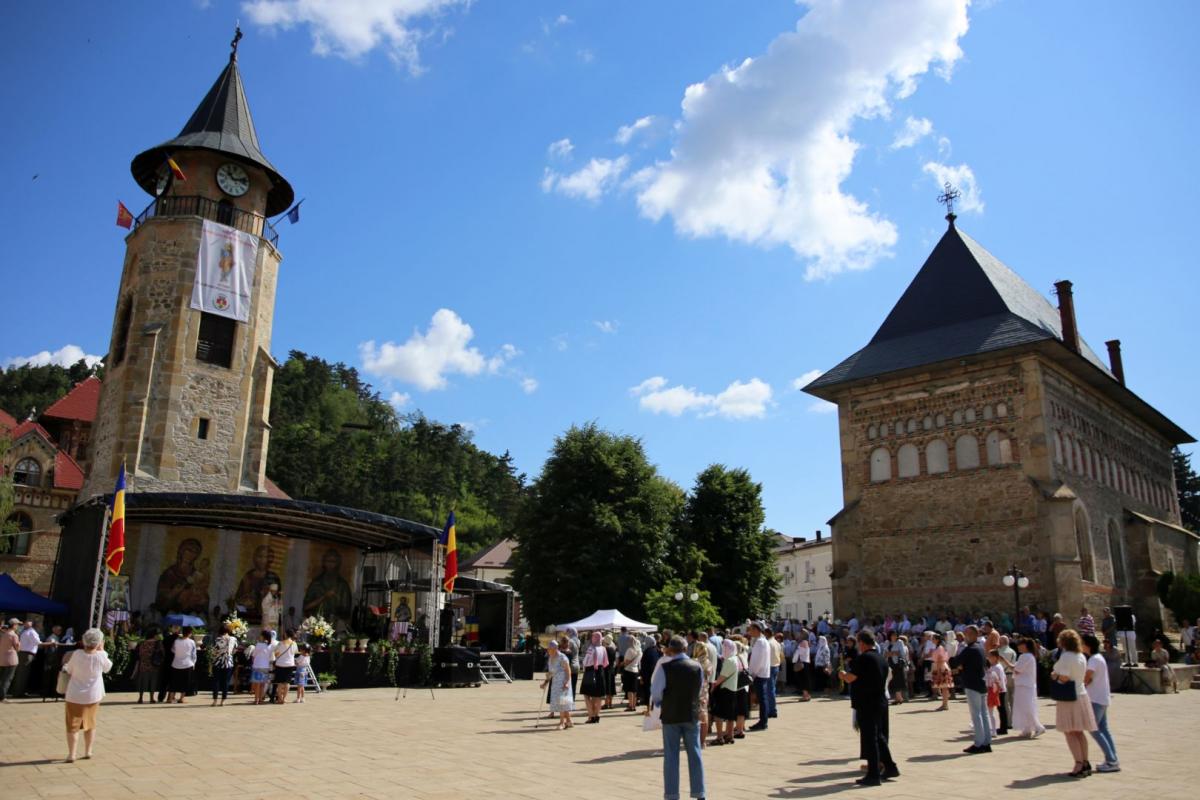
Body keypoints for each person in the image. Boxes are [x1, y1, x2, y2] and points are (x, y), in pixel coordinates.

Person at [839, 630, 899, 787]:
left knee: (870, 738)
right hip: (880, 701)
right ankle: (890, 767)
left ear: (862, 643)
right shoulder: (881, 658)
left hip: (867, 702)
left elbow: (852, 678)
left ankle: (873, 774)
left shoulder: (863, 659)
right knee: (879, 737)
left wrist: (843, 675)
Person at [651, 635, 706, 800]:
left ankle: (672, 794)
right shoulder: (697, 667)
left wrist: (660, 703)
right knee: (695, 754)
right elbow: (700, 688)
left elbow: (656, 692)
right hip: (691, 713)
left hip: (671, 714)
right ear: (685, 648)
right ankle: (699, 793)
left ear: (670, 649)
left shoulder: (665, 667)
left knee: (671, 756)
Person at [61, 628, 113, 763]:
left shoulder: (77, 654)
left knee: (72, 725)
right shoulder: (101, 655)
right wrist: (102, 650)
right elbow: (108, 668)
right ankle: (88, 751)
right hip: (92, 696)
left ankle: (72, 754)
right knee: (90, 724)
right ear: (99, 642)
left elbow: (70, 670)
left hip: (74, 695)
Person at [1051, 629, 1098, 777]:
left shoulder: (1066, 657)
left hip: (1069, 696)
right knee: (1079, 731)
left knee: (1070, 731)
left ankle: (1078, 764)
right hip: (1081, 694)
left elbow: (1064, 677)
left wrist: (1055, 677)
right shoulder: (1081, 656)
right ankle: (1085, 761)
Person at [1081, 633, 1119, 771]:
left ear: (1088, 645)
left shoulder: (1093, 660)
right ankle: (1113, 759)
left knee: (1093, 729)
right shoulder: (1098, 658)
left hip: (1095, 698)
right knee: (1103, 729)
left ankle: (1111, 760)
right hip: (1102, 697)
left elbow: (1087, 678)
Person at [951, 625, 991, 753]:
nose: (965, 636)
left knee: (977, 714)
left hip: (972, 684)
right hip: (981, 683)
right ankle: (986, 742)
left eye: (967, 633)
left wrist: (955, 657)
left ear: (974, 635)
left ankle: (979, 743)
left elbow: (954, 662)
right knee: (984, 714)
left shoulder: (970, 649)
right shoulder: (980, 648)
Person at [1011, 637, 1045, 737]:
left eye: (1020, 644)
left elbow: (1017, 669)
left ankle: (1038, 727)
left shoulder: (1025, 656)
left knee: (1027, 707)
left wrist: (1004, 661)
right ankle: (1027, 729)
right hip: (1025, 685)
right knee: (1023, 707)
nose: (1018, 646)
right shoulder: (1028, 656)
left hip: (1024, 685)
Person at [710, 639, 739, 746]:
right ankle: (729, 736)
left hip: (725, 690)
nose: (723, 649)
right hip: (733, 689)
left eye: (725, 647)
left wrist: (714, 684)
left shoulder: (729, 661)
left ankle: (719, 737)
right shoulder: (735, 658)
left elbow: (722, 677)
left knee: (719, 714)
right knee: (730, 715)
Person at [540, 639, 574, 729]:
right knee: (562, 703)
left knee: (562, 702)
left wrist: (566, 683)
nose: (548, 651)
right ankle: (569, 721)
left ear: (555, 648)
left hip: (563, 682)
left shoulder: (562, 657)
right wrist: (545, 683)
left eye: (550, 649)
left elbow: (568, 671)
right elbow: (550, 673)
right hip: (555, 683)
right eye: (548, 649)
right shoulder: (550, 658)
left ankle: (562, 723)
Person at [580, 631, 610, 723]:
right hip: (600, 672)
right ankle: (597, 715)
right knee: (598, 696)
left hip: (590, 672)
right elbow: (606, 663)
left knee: (586, 695)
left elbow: (586, 662)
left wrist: (583, 664)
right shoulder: (603, 648)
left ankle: (591, 715)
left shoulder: (591, 648)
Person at [747, 622, 771, 731]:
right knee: (763, 699)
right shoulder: (763, 641)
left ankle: (763, 722)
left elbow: (756, 661)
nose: (749, 632)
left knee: (762, 699)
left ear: (757, 630)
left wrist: (752, 674)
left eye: (751, 629)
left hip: (759, 674)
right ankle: (763, 721)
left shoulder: (760, 642)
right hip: (763, 673)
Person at [165, 627, 197, 704]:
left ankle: (170, 698)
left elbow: (173, 650)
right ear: (190, 633)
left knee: (174, 682)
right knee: (185, 682)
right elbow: (194, 654)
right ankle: (181, 698)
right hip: (187, 664)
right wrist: (194, 663)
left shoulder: (176, 641)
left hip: (176, 663)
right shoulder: (192, 642)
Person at [133, 629, 164, 704]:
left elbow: (138, 654)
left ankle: (140, 698)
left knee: (142, 682)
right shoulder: (158, 643)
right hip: (154, 666)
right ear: (155, 635)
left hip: (143, 665)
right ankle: (152, 698)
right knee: (152, 682)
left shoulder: (142, 643)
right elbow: (162, 654)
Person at [210, 623, 236, 707]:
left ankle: (215, 701)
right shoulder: (233, 639)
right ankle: (223, 701)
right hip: (228, 663)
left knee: (216, 682)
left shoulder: (218, 639)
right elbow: (234, 651)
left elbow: (214, 651)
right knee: (226, 682)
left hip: (217, 662)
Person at [14, 619, 41, 697]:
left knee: (21, 673)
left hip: (24, 653)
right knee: (23, 674)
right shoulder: (32, 632)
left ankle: (17, 691)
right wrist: (50, 643)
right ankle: (19, 693)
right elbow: (38, 642)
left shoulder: (26, 631)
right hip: (27, 654)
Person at [272, 628, 299, 704]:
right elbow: (295, 653)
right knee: (287, 683)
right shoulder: (294, 643)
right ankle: (284, 698)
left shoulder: (280, 643)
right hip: (290, 664)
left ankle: (280, 699)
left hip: (280, 664)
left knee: (280, 683)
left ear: (286, 634)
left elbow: (276, 654)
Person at [985, 650, 1006, 735]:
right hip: (996, 690)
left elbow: (1000, 679)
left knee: (1001, 709)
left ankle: (1003, 728)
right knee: (998, 710)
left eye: (990, 656)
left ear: (995, 657)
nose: (988, 658)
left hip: (997, 690)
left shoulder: (997, 667)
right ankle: (999, 728)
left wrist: (999, 688)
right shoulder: (994, 666)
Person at [621, 635, 643, 711]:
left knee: (630, 689)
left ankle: (630, 705)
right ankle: (634, 705)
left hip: (628, 670)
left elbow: (626, 662)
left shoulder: (630, 650)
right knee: (634, 689)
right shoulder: (640, 650)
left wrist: (622, 663)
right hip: (636, 670)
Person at [0, 618, 19, 702]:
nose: (18, 626)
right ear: (14, 625)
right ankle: (3, 697)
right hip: (11, 660)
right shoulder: (13, 635)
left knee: (2, 679)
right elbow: (17, 648)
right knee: (7, 679)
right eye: (17, 624)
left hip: (2, 659)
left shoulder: (4, 634)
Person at [885, 630, 907, 705]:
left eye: (895, 635)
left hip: (897, 664)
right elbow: (885, 654)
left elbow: (902, 653)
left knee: (898, 680)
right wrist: (894, 653)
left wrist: (891, 653)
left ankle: (899, 698)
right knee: (892, 680)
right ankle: (898, 698)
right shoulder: (887, 642)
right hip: (889, 663)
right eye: (893, 635)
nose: (894, 636)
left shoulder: (900, 642)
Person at [792, 633, 812, 701]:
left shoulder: (803, 642)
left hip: (802, 663)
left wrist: (794, 660)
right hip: (805, 663)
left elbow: (799, 653)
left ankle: (805, 695)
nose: (799, 635)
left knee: (803, 680)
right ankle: (807, 695)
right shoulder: (805, 642)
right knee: (805, 680)